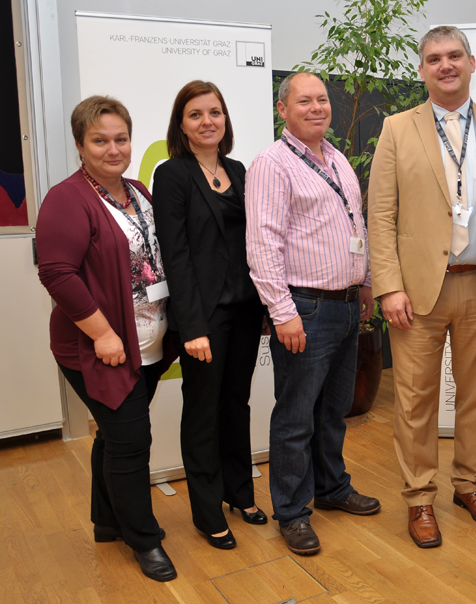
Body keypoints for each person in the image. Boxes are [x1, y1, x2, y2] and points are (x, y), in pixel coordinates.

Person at [368, 25, 476, 549]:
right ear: (422, 68)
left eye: (454, 56)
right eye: (434, 58)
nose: (445, 65)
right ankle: (420, 497)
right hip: (417, 290)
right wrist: (387, 287)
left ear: (472, 63)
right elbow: (380, 215)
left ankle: (469, 485)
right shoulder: (395, 129)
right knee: (414, 400)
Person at [37, 96, 176, 582]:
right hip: (102, 348)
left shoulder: (138, 191)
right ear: (80, 145)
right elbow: (56, 273)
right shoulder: (67, 198)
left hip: (150, 345)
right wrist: (103, 333)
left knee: (116, 439)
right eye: (100, 140)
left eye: (120, 139)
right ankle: (144, 539)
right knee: (132, 440)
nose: (113, 149)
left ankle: (107, 521)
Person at [245, 72, 380, 556]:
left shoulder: (338, 158)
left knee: (332, 411)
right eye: (304, 101)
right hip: (305, 307)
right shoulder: (272, 164)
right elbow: (263, 245)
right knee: (296, 416)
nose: (317, 107)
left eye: (322, 99)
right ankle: (292, 511)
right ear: (284, 110)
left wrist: (364, 282)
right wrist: (282, 313)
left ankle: (332, 488)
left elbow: (354, 224)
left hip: (345, 305)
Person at [152, 81, 266, 551]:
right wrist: (192, 326)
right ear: (181, 124)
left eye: (214, 112)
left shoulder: (239, 171)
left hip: (244, 311)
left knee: (236, 405)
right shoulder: (173, 174)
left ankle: (239, 492)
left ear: (225, 119)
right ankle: (205, 510)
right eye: (195, 114)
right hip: (204, 318)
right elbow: (174, 255)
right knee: (202, 412)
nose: (207, 121)